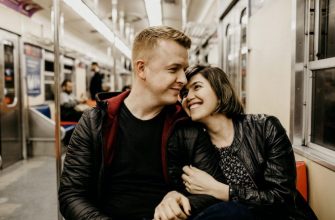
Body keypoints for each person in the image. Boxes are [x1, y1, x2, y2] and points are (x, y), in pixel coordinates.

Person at [59, 26, 222, 220]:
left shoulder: (186, 125)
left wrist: (179, 202)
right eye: (173, 69)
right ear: (141, 68)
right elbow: (71, 194)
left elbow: (212, 190)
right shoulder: (95, 122)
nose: (183, 79)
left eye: (184, 70)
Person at [180, 65, 317, 220]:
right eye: (184, 93)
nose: (188, 97)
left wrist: (222, 191)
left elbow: (281, 198)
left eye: (196, 87)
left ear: (220, 92)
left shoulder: (265, 128)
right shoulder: (194, 146)